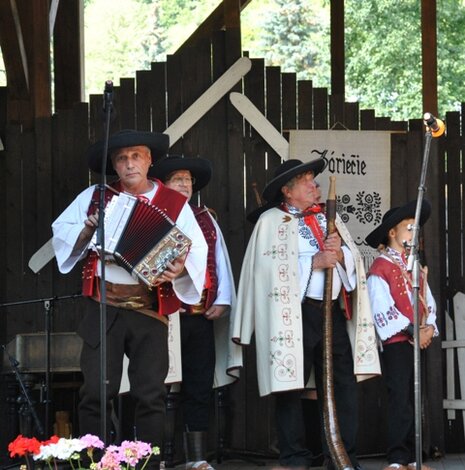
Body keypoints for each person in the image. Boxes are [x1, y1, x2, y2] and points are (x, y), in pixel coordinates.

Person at [51, 130, 208, 467]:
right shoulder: (95, 197)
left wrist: (178, 269)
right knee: (95, 392)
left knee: (150, 394)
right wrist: (86, 231)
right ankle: (95, 462)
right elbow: (61, 232)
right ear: (113, 164)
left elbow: (195, 251)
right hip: (104, 305)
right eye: (121, 158)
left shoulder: (174, 204)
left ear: (150, 160)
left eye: (136, 156)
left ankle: (145, 465)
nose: (129, 164)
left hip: (149, 308)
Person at [233, 158, 380, 470]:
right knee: (290, 386)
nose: (315, 186)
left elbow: (352, 261)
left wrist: (340, 255)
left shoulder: (331, 219)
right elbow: (265, 272)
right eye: (306, 181)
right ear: (288, 191)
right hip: (294, 315)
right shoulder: (271, 222)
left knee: (341, 385)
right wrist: (313, 262)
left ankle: (342, 455)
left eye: (314, 179)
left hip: (332, 314)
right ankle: (295, 456)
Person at [151, 155, 242, 470]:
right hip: (160, 316)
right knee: (157, 385)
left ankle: (196, 458)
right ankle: (158, 455)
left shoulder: (205, 218)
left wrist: (222, 298)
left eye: (188, 180)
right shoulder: (152, 215)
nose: (185, 185)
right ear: (164, 184)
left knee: (199, 384)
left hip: (197, 315)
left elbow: (220, 258)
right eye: (178, 179)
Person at [365, 200, 438, 470]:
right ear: (392, 233)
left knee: (414, 397)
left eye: (416, 229)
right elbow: (380, 308)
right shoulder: (381, 268)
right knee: (400, 398)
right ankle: (397, 458)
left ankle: (412, 458)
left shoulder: (415, 266)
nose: (413, 234)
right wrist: (412, 331)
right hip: (398, 343)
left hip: (417, 342)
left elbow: (426, 300)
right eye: (409, 228)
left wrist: (428, 327)